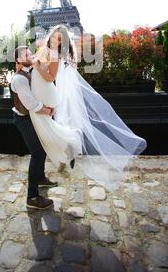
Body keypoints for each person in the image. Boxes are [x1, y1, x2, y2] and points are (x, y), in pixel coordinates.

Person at [29, 24, 147, 192]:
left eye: (60, 38)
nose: (57, 40)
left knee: (57, 126)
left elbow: (51, 75)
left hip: (54, 92)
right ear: (51, 36)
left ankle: (68, 151)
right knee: (58, 126)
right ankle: (66, 153)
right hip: (53, 91)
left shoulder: (56, 54)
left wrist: (39, 66)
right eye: (55, 36)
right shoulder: (52, 52)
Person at [10, 46, 58, 210]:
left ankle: (40, 178)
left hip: (33, 116)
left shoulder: (33, 71)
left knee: (42, 147)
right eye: (25, 53)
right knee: (37, 152)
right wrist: (47, 110)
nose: (29, 54)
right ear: (17, 60)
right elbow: (30, 103)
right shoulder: (19, 79)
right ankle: (32, 197)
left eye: (30, 52)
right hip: (23, 118)